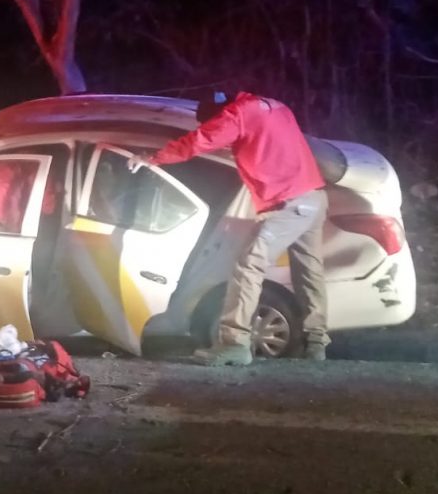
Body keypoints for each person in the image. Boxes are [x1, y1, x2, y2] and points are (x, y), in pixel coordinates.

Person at [128, 90, 329, 365]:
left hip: (290, 205)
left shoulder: (238, 114)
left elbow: (201, 140)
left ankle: (234, 343)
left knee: (248, 264)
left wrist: (153, 157)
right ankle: (316, 343)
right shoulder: (274, 105)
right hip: (314, 198)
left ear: (218, 114)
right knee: (309, 273)